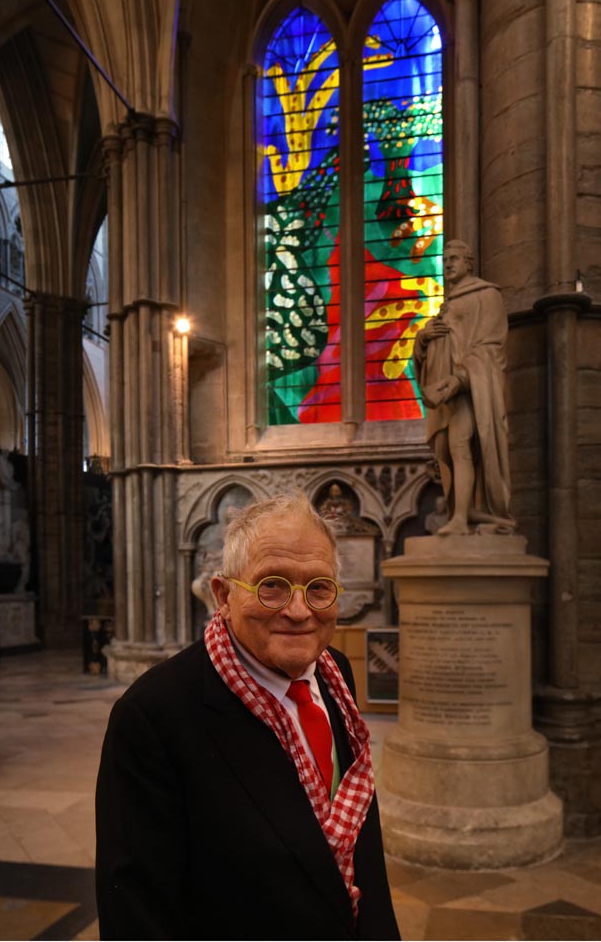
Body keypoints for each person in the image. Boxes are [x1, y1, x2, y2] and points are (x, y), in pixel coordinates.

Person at [95, 494, 400, 940]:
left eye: (319, 587)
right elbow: (137, 915)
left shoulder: (336, 672)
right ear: (223, 595)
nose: (299, 611)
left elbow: (359, 845)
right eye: (272, 585)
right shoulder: (153, 716)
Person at [413, 239, 515, 535]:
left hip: (469, 389)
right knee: (447, 449)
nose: (448, 264)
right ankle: (468, 512)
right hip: (445, 393)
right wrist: (423, 337)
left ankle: (461, 518)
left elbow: (491, 345)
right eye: (445, 260)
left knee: (460, 445)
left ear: (469, 263)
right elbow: (439, 344)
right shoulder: (448, 303)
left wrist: (460, 379)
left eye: (454, 259)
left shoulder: (487, 294)